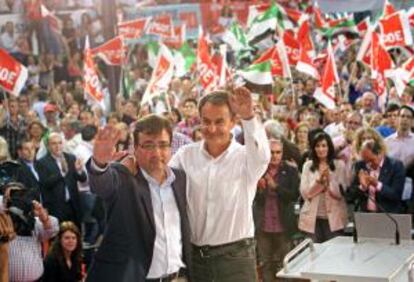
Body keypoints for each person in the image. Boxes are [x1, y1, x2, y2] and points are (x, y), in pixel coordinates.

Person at [170, 87, 270, 282]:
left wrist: (249, 117)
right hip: (197, 259)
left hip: (236, 259)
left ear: (233, 122)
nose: (212, 129)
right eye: (206, 122)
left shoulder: (247, 158)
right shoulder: (185, 156)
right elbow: (160, 181)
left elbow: (263, 155)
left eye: (219, 122)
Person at [86, 114, 191, 282]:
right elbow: (102, 184)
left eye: (163, 145)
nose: (156, 153)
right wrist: (99, 163)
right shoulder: (124, 176)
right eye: (148, 145)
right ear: (135, 148)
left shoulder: (181, 179)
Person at [253, 139, 300, 282]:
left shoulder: (291, 170)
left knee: (285, 264)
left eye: (278, 152)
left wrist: (276, 187)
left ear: (282, 153)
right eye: (271, 152)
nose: (274, 156)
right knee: (266, 264)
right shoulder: (258, 170)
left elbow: (293, 195)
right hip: (263, 225)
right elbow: (251, 198)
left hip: (283, 225)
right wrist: (259, 190)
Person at [298, 132, 348, 243]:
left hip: (335, 219)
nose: (321, 149)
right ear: (313, 148)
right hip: (312, 219)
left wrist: (329, 182)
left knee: (334, 254)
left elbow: (341, 193)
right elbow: (305, 193)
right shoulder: (307, 166)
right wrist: (319, 183)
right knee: (313, 256)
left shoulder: (339, 165)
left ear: (329, 147)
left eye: (324, 146)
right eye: (317, 146)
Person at [36, 133, 86, 228]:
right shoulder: (42, 162)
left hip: (73, 204)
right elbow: (45, 184)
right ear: (48, 146)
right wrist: (61, 174)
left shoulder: (71, 158)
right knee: (58, 236)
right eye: (54, 143)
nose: (57, 146)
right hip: (56, 207)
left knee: (76, 234)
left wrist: (79, 170)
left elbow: (83, 179)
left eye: (59, 143)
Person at [349, 138, 405, 213]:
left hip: (388, 215)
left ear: (380, 153)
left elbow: (396, 195)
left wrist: (376, 184)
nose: (368, 165)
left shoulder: (395, 166)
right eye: (366, 161)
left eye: (371, 160)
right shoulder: (361, 165)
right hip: (366, 215)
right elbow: (350, 196)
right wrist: (362, 187)